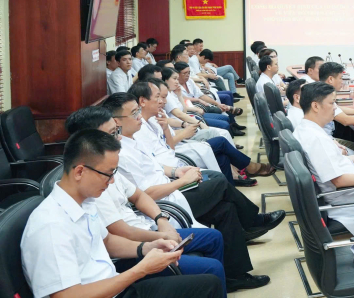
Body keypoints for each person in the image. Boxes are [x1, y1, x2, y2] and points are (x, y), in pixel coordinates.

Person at [103, 93, 283, 291]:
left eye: (138, 110)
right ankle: (252, 220)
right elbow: (146, 193)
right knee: (219, 182)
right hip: (166, 200)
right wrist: (181, 182)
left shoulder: (133, 139)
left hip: (170, 188)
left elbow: (155, 166)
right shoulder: (118, 155)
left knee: (226, 209)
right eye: (134, 113)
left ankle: (235, 275)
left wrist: (176, 172)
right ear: (117, 121)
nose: (139, 116)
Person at [21, 129, 224, 298]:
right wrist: (141, 269)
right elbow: (67, 295)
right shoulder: (50, 225)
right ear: (80, 172)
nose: (111, 181)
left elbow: (107, 242)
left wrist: (147, 247)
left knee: (209, 284)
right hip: (109, 289)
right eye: (108, 174)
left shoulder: (84, 201)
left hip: (114, 286)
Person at [63, 107, 227, 290]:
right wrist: (144, 260)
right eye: (112, 133)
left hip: (133, 250)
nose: (119, 138)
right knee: (211, 272)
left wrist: (159, 225)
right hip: (120, 270)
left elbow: (109, 237)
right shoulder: (82, 196)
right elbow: (121, 233)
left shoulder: (93, 181)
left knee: (216, 233)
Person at [130, 80, 272, 185]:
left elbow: (169, 139)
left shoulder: (154, 118)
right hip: (176, 157)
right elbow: (165, 150)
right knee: (221, 141)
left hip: (178, 145)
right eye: (158, 97)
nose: (162, 101)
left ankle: (232, 183)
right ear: (142, 101)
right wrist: (183, 131)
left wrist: (172, 126)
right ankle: (248, 167)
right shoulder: (138, 128)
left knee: (222, 157)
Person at [294, 82, 354, 234]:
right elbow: (339, 181)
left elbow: (324, 164)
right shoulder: (317, 139)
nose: (335, 108)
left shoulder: (304, 128)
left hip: (346, 185)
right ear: (315, 106)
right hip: (347, 197)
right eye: (332, 103)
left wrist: (351, 159)